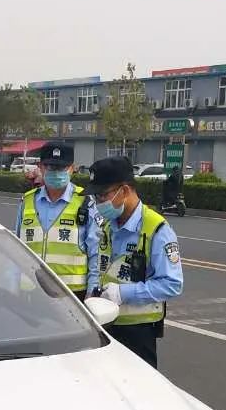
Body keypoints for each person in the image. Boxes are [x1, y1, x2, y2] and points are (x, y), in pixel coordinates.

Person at [87, 156, 183, 369]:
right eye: (96, 196)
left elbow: (172, 284)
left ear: (125, 190)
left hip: (138, 331)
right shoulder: (106, 225)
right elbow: (99, 266)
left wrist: (123, 293)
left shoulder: (157, 229)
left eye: (103, 195)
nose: (99, 202)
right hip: (104, 325)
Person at [14, 141, 100, 297]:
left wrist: (92, 294)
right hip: (31, 293)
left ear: (72, 169)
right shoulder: (26, 201)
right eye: (51, 167)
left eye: (62, 168)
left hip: (72, 296)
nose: (56, 172)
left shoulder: (86, 201)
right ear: (40, 167)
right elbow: (16, 248)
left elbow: (96, 253)